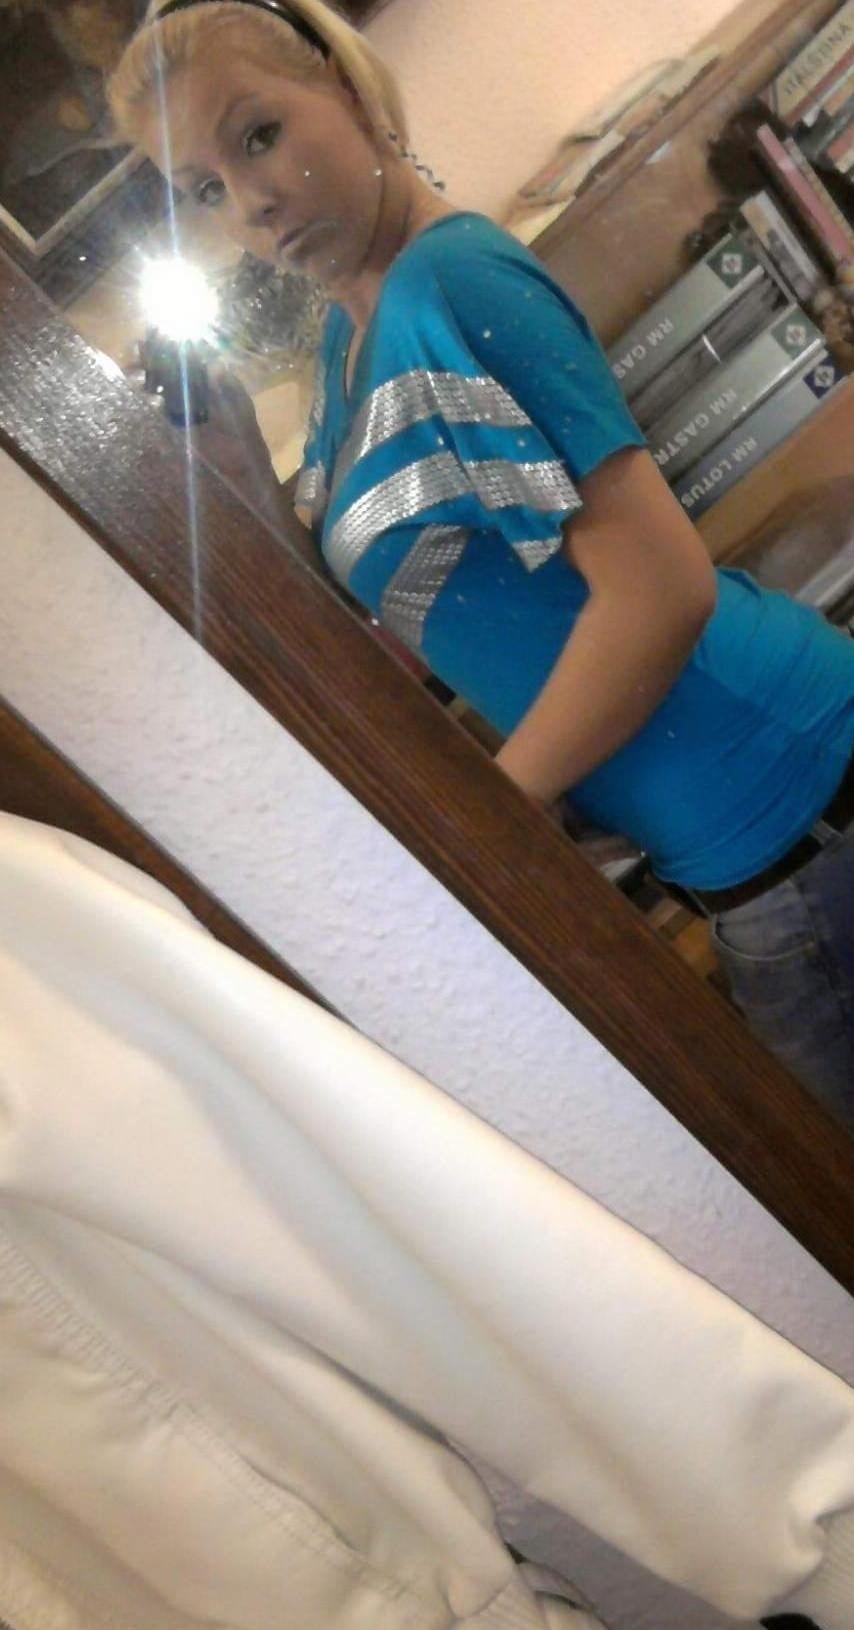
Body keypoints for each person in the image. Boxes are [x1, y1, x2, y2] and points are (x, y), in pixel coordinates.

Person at [108, 0, 854, 1126]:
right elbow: (406, 602)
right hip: (753, 847)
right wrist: (247, 481)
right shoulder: (347, 337)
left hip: (791, 813)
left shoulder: (446, 285)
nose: (249, 203)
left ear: (347, 89)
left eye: (258, 135)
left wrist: (484, 823)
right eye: (204, 189)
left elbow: (660, 588)